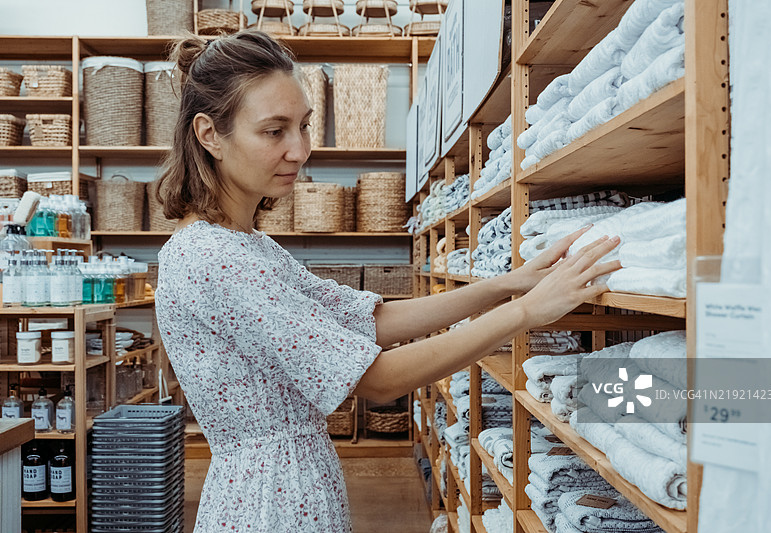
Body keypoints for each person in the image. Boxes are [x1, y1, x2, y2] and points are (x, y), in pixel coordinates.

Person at [154, 30, 621, 532]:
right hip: (268, 506)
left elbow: (370, 321)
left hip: (289, 487)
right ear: (209, 134)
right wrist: (525, 312)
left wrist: (506, 285)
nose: (299, 150)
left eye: (304, 126)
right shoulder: (213, 258)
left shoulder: (248, 246)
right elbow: (375, 380)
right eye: (274, 131)